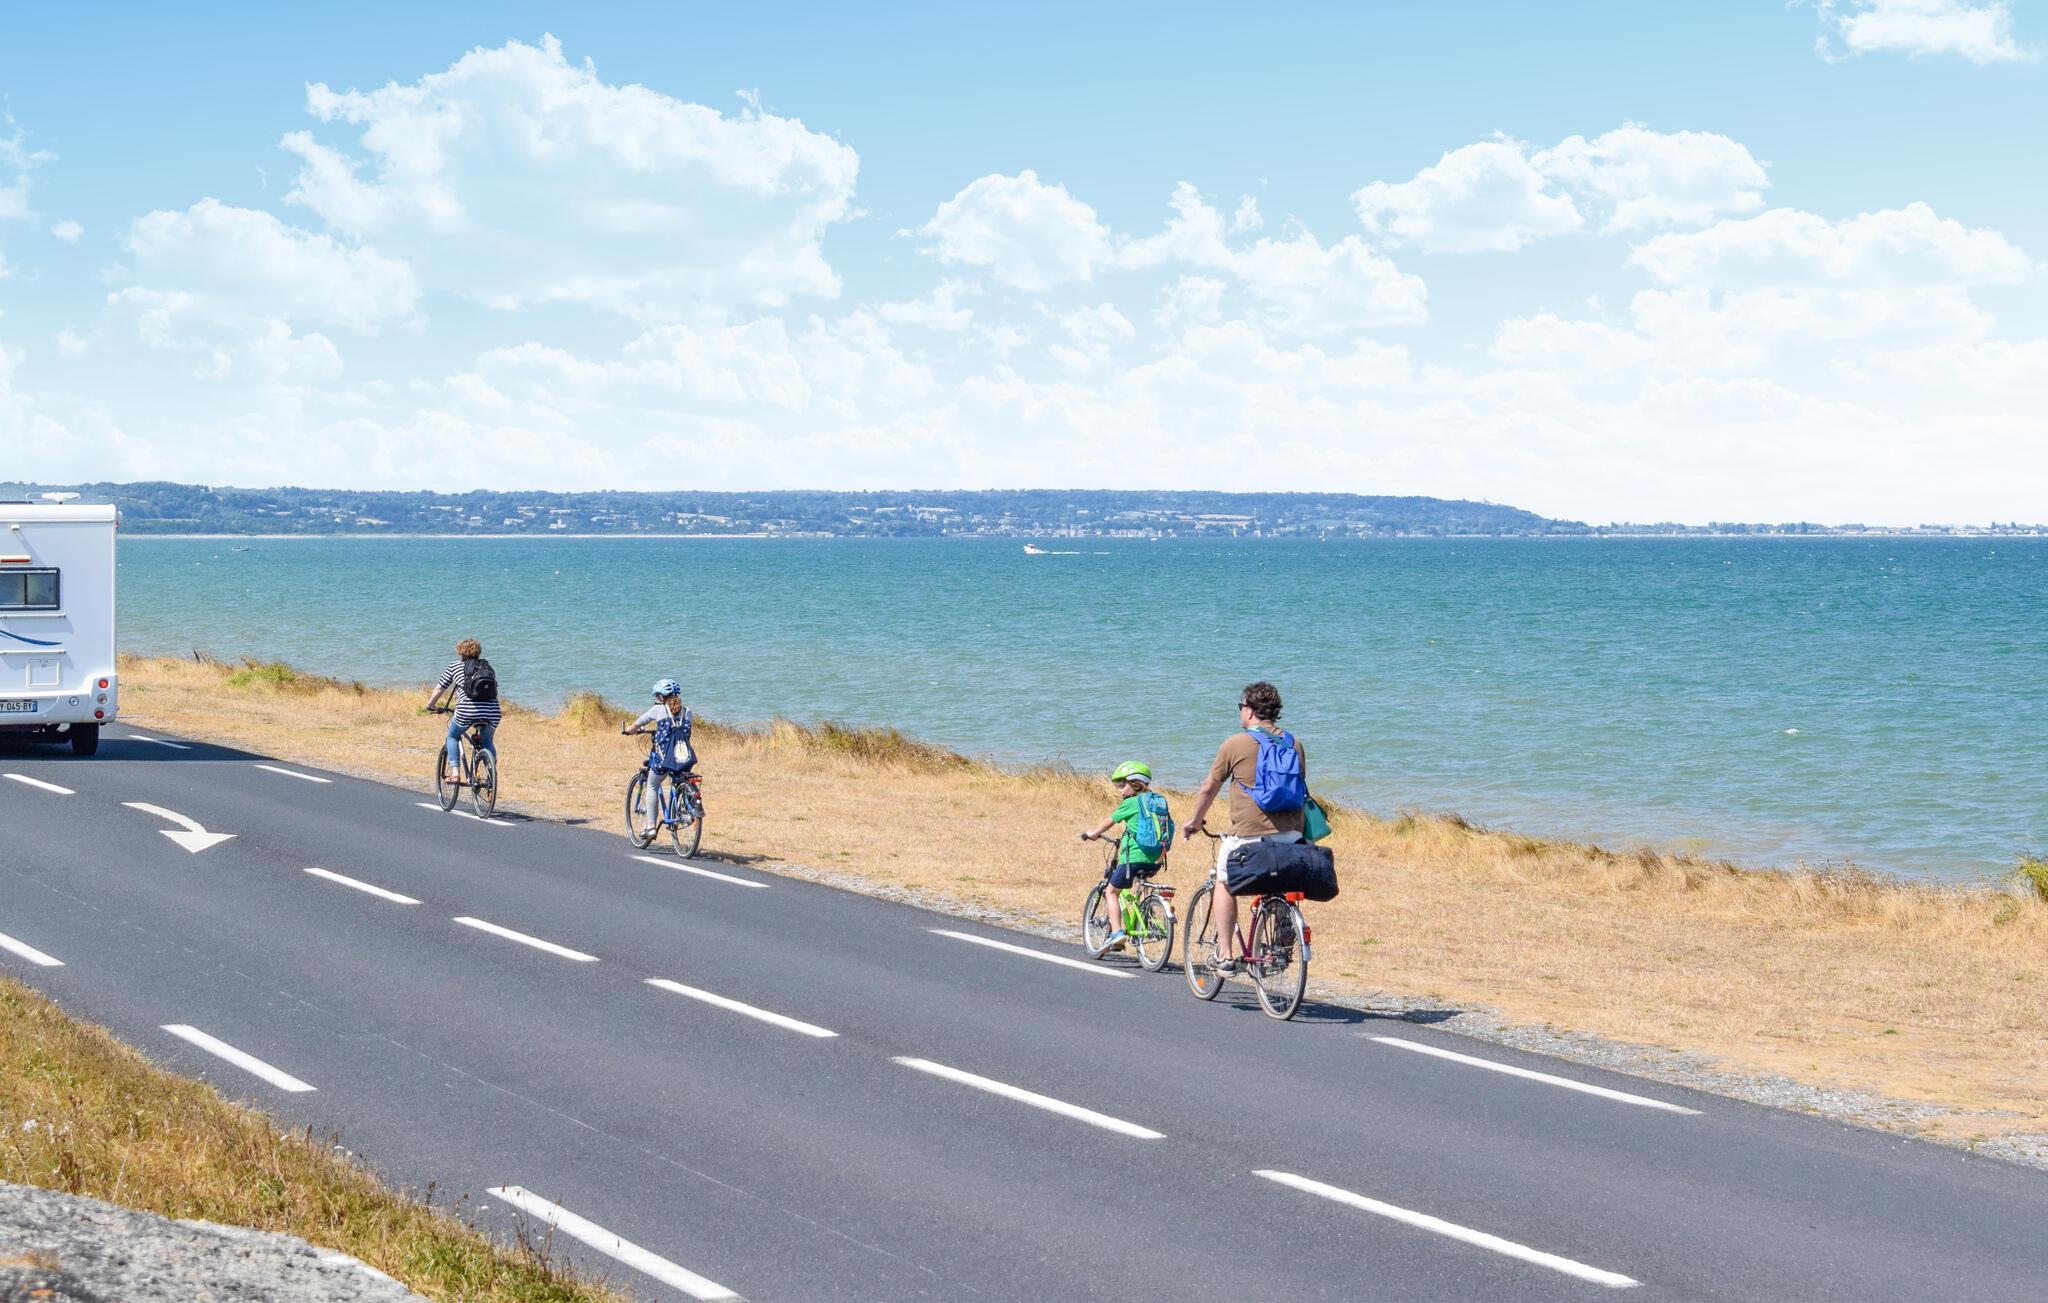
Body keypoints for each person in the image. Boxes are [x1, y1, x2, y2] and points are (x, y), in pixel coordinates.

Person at [1182, 681, 1306, 973]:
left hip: (1248, 836)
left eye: (1240, 707)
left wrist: (1195, 821)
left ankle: (1225, 955)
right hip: (1292, 837)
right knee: (1281, 883)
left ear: (1249, 710)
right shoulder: (1294, 744)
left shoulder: (1235, 744)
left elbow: (1209, 787)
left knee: (1224, 883)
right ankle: (1281, 941)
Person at [1079, 760, 1172, 949]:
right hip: (1156, 859)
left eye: (1122, 785)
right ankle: (1146, 917)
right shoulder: (1157, 801)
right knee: (1139, 887)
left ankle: (1116, 933)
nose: (1120, 790)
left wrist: (1093, 833)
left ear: (1135, 784)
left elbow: (1109, 821)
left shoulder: (1130, 803)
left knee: (1111, 891)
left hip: (1133, 859)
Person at [623, 678, 696, 838]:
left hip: (665, 759)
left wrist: (630, 729)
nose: (657, 699)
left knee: (652, 785)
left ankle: (651, 827)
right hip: (684, 758)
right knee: (678, 779)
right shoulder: (688, 712)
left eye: (657, 696)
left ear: (661, 697)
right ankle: (683, 805)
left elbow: (639, 723)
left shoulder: (658, 710)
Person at [424, 638, 500, 775]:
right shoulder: (486, 667)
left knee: (452, 736)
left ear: (460, 652)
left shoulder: (454, 666)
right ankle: (491, 774)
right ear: (478, 652)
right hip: (492, 711)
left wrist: (431, 705)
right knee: (487, 741)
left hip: (466, 711)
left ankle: (455, 773)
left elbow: (440, 688)